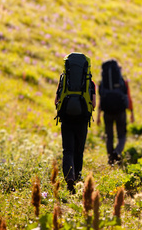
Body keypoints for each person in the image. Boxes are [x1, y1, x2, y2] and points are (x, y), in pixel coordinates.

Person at [55, 53, 96, 193]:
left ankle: (69, 178)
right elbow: (94, 103)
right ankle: (78, 177)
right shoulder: (90, 82)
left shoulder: (63, 79)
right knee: (79, 150)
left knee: (68, 150)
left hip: (66, 118)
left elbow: (56, 100)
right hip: (82, 120)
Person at [97, 59, 134, 165]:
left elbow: (101, 98)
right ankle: (117, 152)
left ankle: (110, 158)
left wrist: (99, 115)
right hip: (120, 111)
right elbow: (129, 97)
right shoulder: (123, 82)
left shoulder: (103, 83)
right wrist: (131, 112)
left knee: (109, 135)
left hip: (107, 111)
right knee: (122, 135)